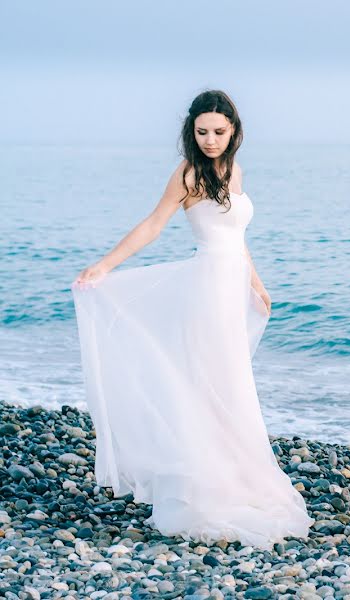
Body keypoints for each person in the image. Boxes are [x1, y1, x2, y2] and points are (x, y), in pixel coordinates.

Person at [70, 89, 315, 550]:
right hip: (205, 290)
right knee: (209, 383)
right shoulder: (187, 174)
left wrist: (256, 284)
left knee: (231, 384)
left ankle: (233, 477)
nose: (209, 140)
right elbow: (153, 224)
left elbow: (236, 238)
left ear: (234, 131)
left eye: (218, 132)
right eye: (201, 132)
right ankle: (204, 487)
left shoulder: (234, 171)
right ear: (192, 132)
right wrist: (105, 265)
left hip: (231, 287)